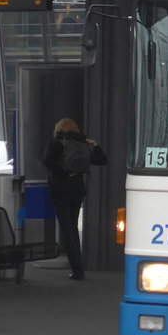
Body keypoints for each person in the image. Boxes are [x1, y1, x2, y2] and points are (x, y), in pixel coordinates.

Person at [43, 118, 107, 281]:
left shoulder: (57, 144)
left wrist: (64, 173)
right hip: (78, 190)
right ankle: (78, 269)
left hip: (60, 190)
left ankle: (77, 271)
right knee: (72, 227)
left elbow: (46, 161)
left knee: (67, 230)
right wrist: (96, 146)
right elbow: (101, 161)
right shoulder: (84, 144)